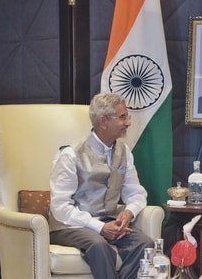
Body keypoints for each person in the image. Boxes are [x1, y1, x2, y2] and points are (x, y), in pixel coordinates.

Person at [48, 93, 154, 279]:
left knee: (145, 244)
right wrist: (99, 227)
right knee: (99, 245)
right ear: (103, 121)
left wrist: (129, 212)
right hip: (69, 226)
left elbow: (136, 193)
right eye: (122, 117)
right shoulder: (70, 155)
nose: (128, 122)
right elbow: (60, 208)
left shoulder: (124, 151)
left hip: (108, 221)